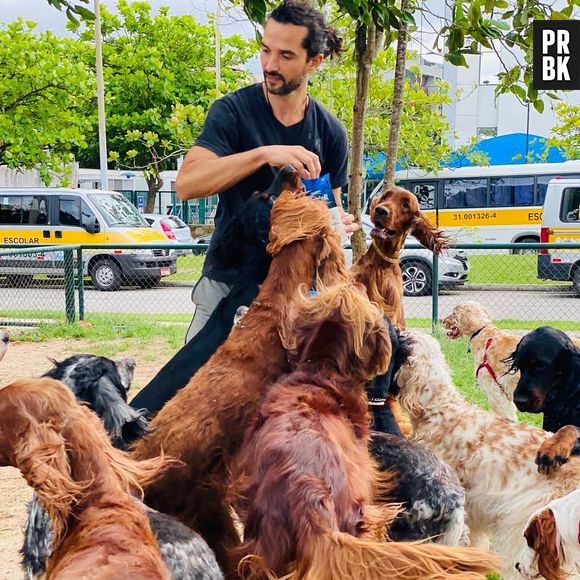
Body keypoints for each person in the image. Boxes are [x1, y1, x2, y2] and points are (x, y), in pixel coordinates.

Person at [176, 0, 356, 343]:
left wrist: (337, 224)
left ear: (313, 62)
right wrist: (261, 154)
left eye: (286, 56)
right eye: (265, 50)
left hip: (297, 293)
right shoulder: (231, 112)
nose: (270, 65)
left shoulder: (331, 132)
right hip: (228, 281)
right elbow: (187, 184)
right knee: (200, 391)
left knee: (288, 395)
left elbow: (330, 216)